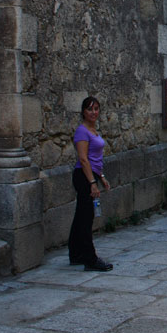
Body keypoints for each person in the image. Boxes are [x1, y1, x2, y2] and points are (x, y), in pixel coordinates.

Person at [68, 96, 113, 270]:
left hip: (92, 175)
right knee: (87, 218)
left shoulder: (93, 130)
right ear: (83, 112)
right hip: (83, 176)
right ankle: (90, 259)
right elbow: (83, 159)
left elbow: (96, 159)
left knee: (81, 216)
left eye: (96, 109)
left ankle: (76, 253)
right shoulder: (82, 131)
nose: (93, 112)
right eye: (89, 109)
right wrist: (92, 183)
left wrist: (101, 177)